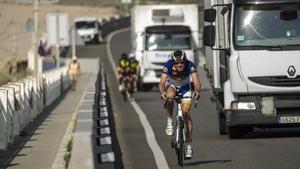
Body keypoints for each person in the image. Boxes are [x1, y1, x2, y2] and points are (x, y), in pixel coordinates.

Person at [159, 49, 201, 159]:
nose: (179, 65)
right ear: (173, 61)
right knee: (170, 96)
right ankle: (169, 122)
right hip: (172, 85)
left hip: (185, 87)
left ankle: (189, 146)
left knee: (186, 112)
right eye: (176, 63)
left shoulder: (190, 65)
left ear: (185, 61)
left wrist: (197, 91)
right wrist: (163, 92)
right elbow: (162, 82)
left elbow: (196, 82)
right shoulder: (168, 65)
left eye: (181, 62)